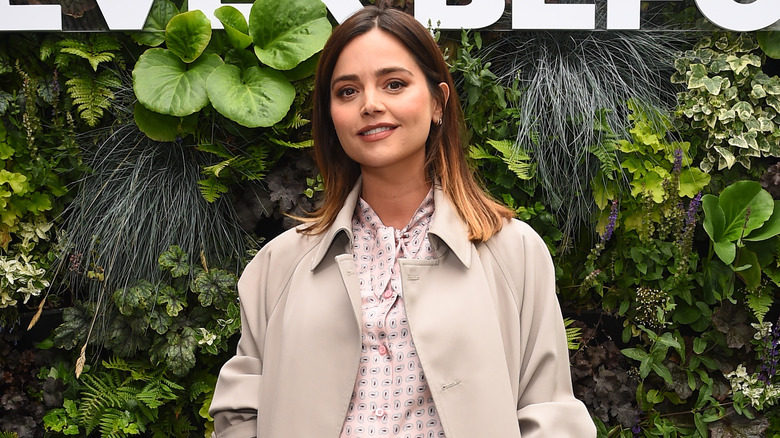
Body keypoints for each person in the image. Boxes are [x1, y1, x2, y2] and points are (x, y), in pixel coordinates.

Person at [209, 5, 596, 438]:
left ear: (437, 102)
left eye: (394, 84)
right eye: (347, 91)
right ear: (331, 115)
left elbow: (549, 413)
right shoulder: (278, 267)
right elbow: (239, 413)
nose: (370, 105)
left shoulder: (513, 253)